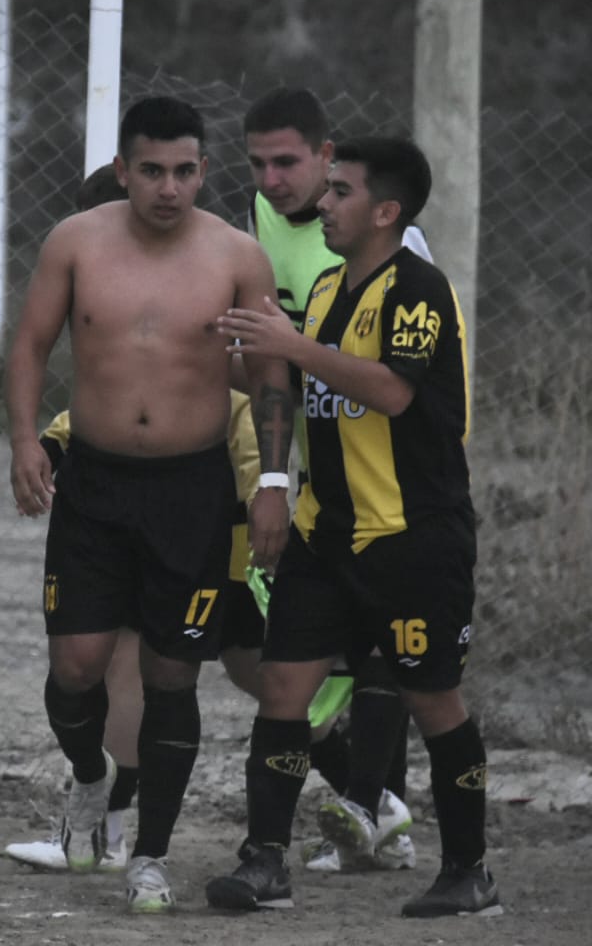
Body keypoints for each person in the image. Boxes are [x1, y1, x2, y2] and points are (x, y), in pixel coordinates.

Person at [5, 96, 294, 914]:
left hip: (191, 491)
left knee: (173, 673)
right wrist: (24, 442)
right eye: (153, 170)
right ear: (124, 169)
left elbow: (270, 377)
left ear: (204, 171)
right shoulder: (75, 242)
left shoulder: (238, 256)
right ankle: (91, 779)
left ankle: (151, 855)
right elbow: (31, 343)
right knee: (76, 666)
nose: (169, 187)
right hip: (94, 487)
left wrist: (273, 484)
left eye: (185, 171)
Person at [203, 137, 501, 919]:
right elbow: (297, 377)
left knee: (433, 699)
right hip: (324, 532)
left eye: (340, 191)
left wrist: (293, 345)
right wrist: (205, 347)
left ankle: (468, 872)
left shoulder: (419, 289)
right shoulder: (333, 286)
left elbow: (394, 391)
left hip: (412, 535)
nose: (323, 203)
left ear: (385, 211)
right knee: (283, 688)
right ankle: (265, 862)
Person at [245, 87, 433, 873]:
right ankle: (366, 814)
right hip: (313, 476)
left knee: (384, 650)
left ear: (327, 157)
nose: (272, 180)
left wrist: (291, 349)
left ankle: (376, 813)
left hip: (393, 484)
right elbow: (271, 366)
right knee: (287, 652)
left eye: (288, 162)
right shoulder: (254, 224)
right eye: (258, 164)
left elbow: (406, 382)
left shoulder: (393, 247)